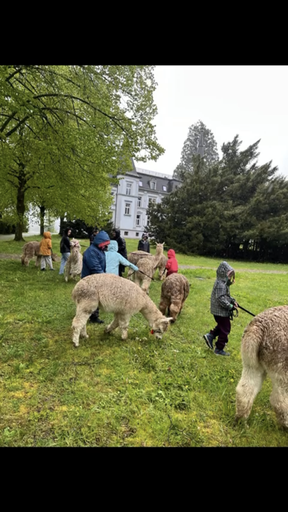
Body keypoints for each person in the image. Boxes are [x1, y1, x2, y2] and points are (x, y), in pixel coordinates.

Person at [203, 261, 238, 356]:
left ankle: (210, 336)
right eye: (229, 275)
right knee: (226, 328)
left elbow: (225, 296)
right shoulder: (220, 284)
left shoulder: (223, 283)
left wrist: (232, 301)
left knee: (222, 326)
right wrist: (230, 306)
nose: (230, 277)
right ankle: (219, 348)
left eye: (231, 275)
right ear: (223, 273)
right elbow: (221, 299)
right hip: (219, 311)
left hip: (221, 311)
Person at [81, 230, 110, 323]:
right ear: (100, 242)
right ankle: (85, 315)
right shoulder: (91, 252)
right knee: (89, 299)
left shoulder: (99, 250)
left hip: (97, 279)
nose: (106, 246)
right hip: (90, 279)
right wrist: (104, 277)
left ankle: (94, 317)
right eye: (105, 244)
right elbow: (95, 267)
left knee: (95, 298)